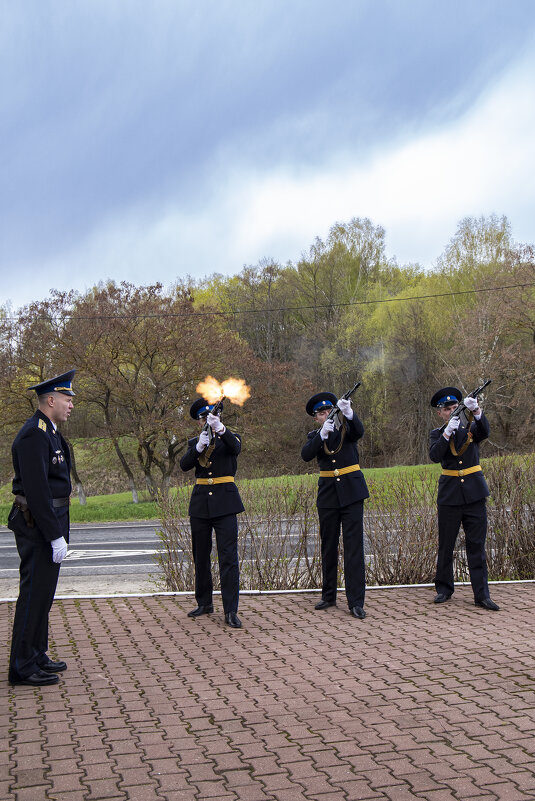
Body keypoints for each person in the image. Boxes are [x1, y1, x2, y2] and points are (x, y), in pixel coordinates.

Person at [8, 370, 75, 686]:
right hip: (38, 527)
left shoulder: (51, 432)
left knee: (43, 595)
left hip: (51, 523)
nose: (71, 404)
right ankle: (22, 666)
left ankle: (36, 654)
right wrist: (54, 536)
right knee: (33, 594)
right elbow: (36, 493)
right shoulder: (34, 434)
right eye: (67, 398)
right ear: (51, 400)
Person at [429, 386, 499, 610]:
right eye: (446, 409)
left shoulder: (471, 427)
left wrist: (476, 411)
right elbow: (434, 455)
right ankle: (444, 589)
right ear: (440, 413)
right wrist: (447, 432)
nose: (450, 412)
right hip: (450, 495)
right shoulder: (437, 433)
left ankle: (482, 594)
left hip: (474, 493)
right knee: (446, 545)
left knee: (476, 545)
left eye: (453, 407)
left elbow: (485, 431)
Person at [301, 392, 369, 619]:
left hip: (351, 491)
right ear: (316, 418)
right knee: (328, 546)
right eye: (321, 413)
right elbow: (306, 455)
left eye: (329, 410)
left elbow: (359, 431)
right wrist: (321, 435)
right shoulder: (316, 434)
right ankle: (328, 595)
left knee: (353, 548)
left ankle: (356, 601)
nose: (326, 414)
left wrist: (349, 413)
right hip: (329, 495)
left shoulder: (347, 429)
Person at [180, 398, 244, 628]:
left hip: (225, 502)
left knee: (228, 558)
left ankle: (231, 610)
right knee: (201, 555)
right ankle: (204, 602)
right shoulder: (195, 442)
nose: (206, 421)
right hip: (200, 504)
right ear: (199, 422)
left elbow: (236, 449)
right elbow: (184, 465)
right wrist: (197, 448)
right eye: (203, 418)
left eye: (211, 417)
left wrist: (221, 429)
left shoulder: (230, 438)